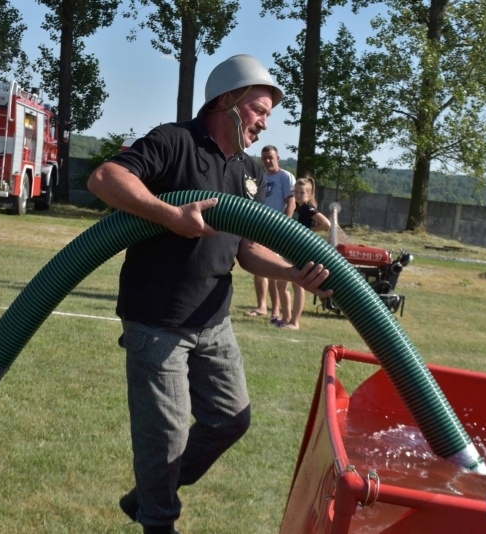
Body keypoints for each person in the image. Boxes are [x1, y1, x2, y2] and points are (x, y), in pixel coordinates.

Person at [86, 54, 332, 534]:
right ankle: (159, 521)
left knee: (229, 420)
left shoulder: (246, 171)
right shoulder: (174, 142)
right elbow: (104, 179)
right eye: (259, 111)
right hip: (158, 319)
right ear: (228, 101)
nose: (265, 124)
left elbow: (247, 251)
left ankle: (146, 495)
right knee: (168, 435)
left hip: (214, 320)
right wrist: (168, 214)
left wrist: (293, 273)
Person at [245, 145, 295, 324]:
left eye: (270, 157)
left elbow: (291, 203)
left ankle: (276, 311)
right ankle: (261, 307)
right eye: (264, 158)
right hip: (259, 227)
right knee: (258, 268)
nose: (267, 161)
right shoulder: (261, 178)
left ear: (278, 158)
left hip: (277, 229)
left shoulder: (285, 177)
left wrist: (285, 224)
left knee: (273, 269)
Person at [282, 176, 331, 330]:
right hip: (291, 248)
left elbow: (326, 224)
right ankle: (286, 318)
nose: (297, 195)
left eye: (301, 192)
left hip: (301, 251)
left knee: (298, 285)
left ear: (309, 195)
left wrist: (309, 231)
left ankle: (295, 322)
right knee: (281, 283)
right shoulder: (295, 208)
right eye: (295, 191)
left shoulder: (308, 209)